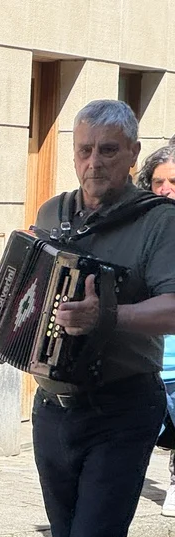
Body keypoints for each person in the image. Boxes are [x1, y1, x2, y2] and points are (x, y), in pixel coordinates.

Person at [0, 100, 175, 537]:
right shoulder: (54, 214)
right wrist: (5, 284)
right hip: (53, 405)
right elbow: (35, 282)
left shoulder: (158, 222)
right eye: (84, 150)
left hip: (122, 403)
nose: (94, 163)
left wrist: (107, 316)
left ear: (133, 155)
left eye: (108, 151)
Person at [135, 142, 175, 516]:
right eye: (158, 182)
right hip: (149, 363)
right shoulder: (145, 233)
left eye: (173, 182)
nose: (165, 190)